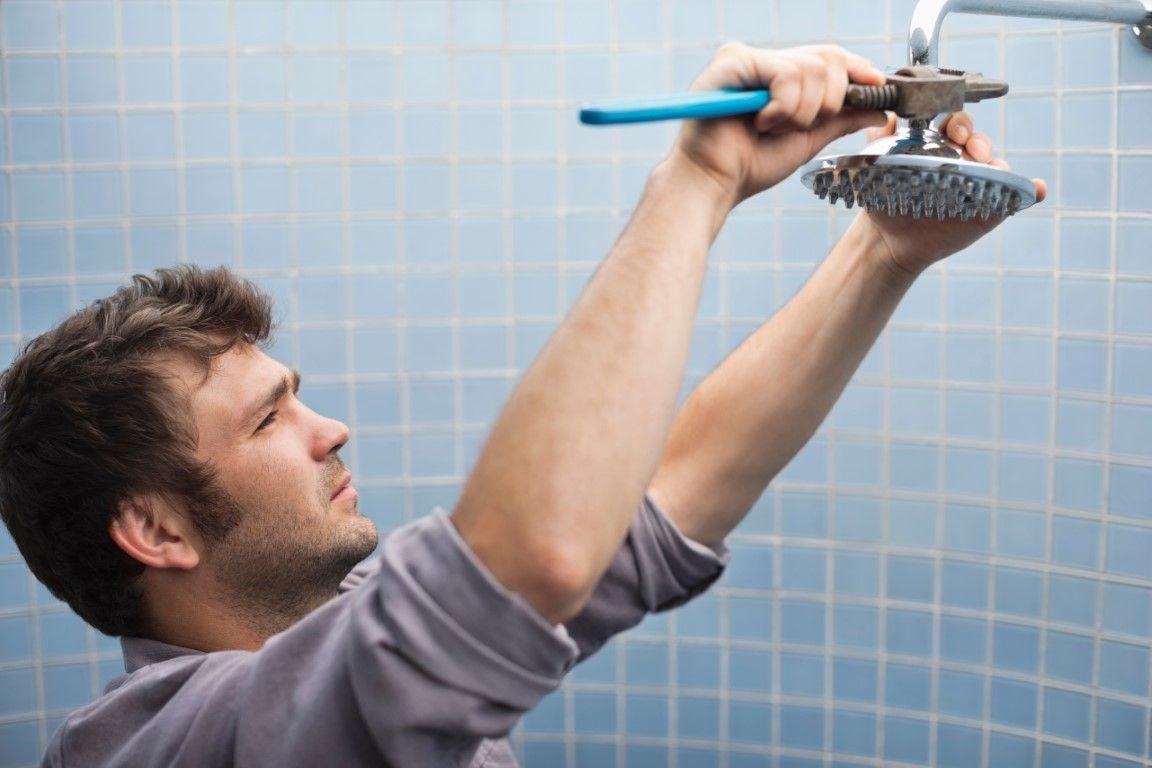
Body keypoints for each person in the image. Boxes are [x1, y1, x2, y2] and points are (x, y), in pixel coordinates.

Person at [0, 44, 1044, 767]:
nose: (331, 430)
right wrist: (698, 176)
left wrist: (881, 252)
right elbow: (534, 552)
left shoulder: (333, 634)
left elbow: (664, 500)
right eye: (270, 419)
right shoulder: (167, 747)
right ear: (153, 527)